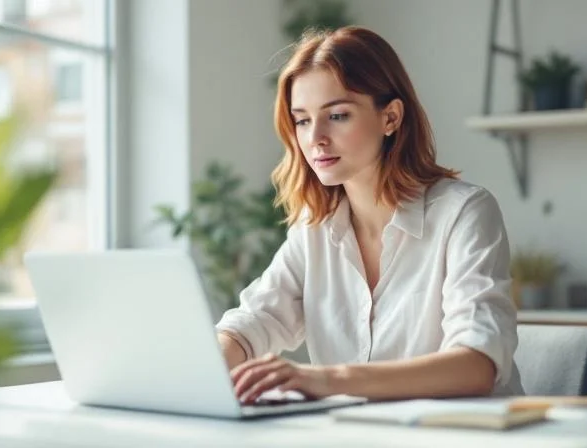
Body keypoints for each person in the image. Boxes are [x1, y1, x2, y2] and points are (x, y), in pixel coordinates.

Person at [215, 26, 524, 404]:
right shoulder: (314, 228)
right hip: (362, 430)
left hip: (466, 430)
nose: (315, 138)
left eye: (337, 115)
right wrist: (205, 366)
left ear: (390, 117)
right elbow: (253, 323)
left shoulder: (464, 213)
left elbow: (476, 366)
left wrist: (327, 379)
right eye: (302, 120)